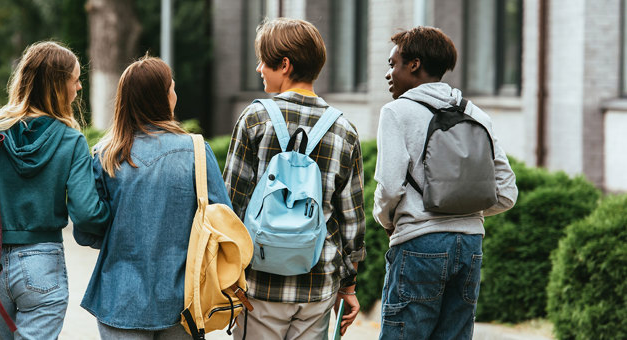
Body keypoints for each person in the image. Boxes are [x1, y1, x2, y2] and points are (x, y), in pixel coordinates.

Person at [222, 17, 366, 339]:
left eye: (263, 61)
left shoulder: (254, 119)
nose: (259, 68)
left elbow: (230, 204)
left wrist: (226, 273)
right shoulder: (344, 131)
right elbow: (352, 221)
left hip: (259, 285)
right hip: (317, 284)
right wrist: (349, 284)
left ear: (284, 64)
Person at [373, 26, 518, 339]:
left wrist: (386, 221)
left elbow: (389, 187)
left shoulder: (396, 113)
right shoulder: (476, 114)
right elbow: (506, 193)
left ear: (414, 64)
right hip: (470, 245)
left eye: (392, 64)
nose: (388, 74)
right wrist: (465, 212)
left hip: (418, 243)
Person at [73, 56, 233, 339]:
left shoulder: (104, 155)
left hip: (119, 298)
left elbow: (86, 232)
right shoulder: (195, 151)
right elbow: (223, 223)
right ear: (162, 98)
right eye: (171, 87)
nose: (175, 94)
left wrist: (117, 237)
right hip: (183, 301)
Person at [0, 41, 112, 339]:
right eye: (75, 80)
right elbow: (86, 212)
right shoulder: (70, 140)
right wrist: (113, 216)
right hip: (42, 264)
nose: (79, 87)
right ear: (58, 86)